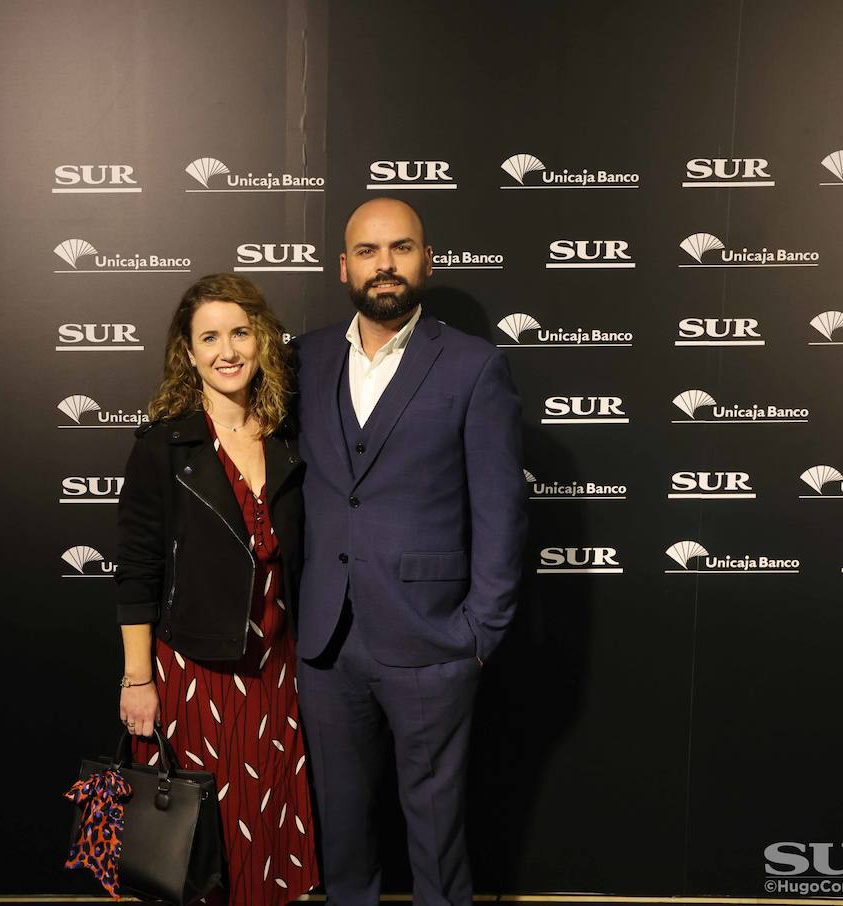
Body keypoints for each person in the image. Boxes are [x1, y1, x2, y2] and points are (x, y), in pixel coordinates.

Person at [294, 198, 527, 906]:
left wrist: (478, 634)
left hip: (432, 640)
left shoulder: (473, 365)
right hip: (326, 643)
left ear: (427, 260)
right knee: (342, 834)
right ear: (344, 267)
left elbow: (501, 510)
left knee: (436, 834)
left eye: (400, 249)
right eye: (367, 251)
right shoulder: (302, 359)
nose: (384, 265)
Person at [115, 273, 318, 905]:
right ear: (189, 350)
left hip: (277, 675)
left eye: (240, 332)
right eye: (210, 337)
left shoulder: (292, 440)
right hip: (193, 676)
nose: (227, 350)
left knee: (268, 834)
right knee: (196, 854)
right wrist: (137, 679)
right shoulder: (163, 446)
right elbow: (136, 569)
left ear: (261, 340)